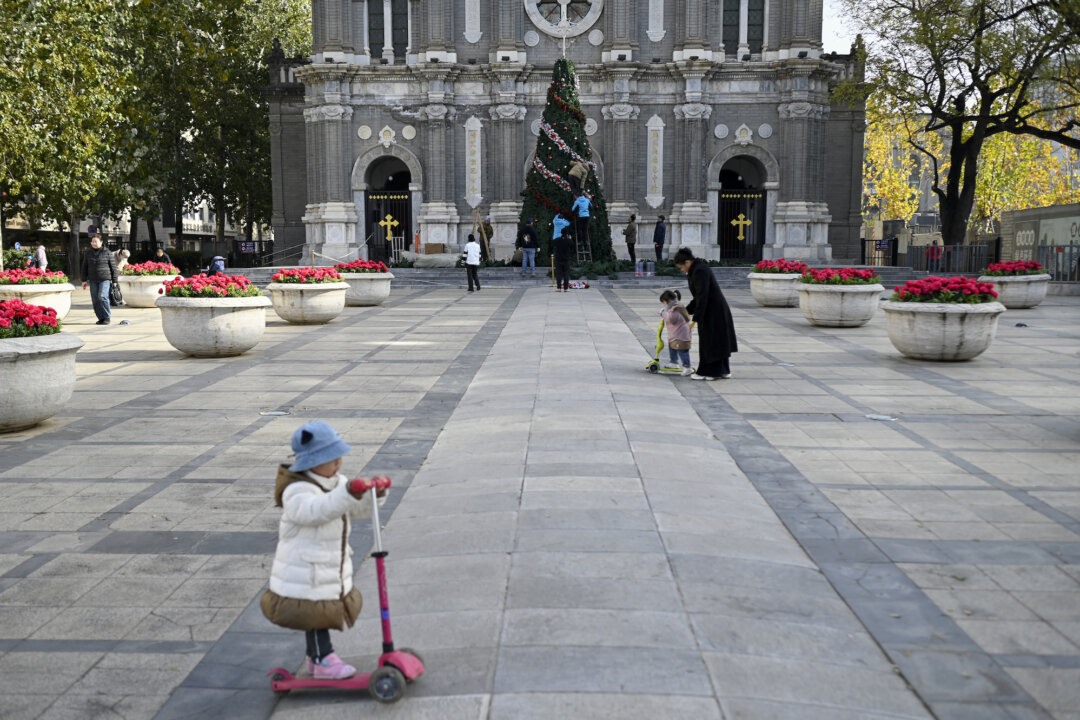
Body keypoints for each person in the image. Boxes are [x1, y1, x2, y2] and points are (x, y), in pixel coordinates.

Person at [260, 421, 387, 680]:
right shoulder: (296, 491)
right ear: (312, 462)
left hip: (326, 566)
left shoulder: (336, 481)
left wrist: (374, 495)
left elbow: (353, 508)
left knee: (319, 614)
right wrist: (348, 492)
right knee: (315, 616)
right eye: (331, 459)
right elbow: (317, 511)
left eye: (339, 457)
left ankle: (315, 657)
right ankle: (322, 660)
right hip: (306, 571)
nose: (338, 463)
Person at [673, 247, 737, 380]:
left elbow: (702, 296)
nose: (682, 270)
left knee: (710, 341)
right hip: (713, 309)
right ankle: (723, 370)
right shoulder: (697, 268)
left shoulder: (699, 271)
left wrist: (695, 318)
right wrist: (685, 311)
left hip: (712, 311)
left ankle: (710, 372)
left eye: (681, 267)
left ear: (687, 262)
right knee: (718, 340)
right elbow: (698, 297)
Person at [81, 234, 118, 325]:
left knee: (102, 296)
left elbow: (113, 267)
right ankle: (101, 318)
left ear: (101, 242)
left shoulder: (107, 252)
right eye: (92, 241)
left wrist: (114, 281)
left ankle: (107, 316)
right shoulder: (88, 253)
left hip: (105, 279)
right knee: (95, 299)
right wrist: (84, 280)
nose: (93, 243)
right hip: (93, 279)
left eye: (96, 241)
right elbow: (84, 267)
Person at [660, 289, 693, 377]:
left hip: (681, 335)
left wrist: (663, 313)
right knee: (672, 346)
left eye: (663, 302)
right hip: (676, 333)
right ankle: (674, 362)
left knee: (682, 350)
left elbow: (671, 319)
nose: (663, 305)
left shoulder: (676, 308)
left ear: (668, 300)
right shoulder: (674, 306)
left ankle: (688, 367)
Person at [552, 213, 572, 292]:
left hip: (556, 239)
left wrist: (557, 215)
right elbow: (568, 223)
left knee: (559, 272)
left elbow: (554, 218)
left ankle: (559, 288)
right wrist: (564, 219)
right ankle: (566, 288)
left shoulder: (555, 221)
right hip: (566, 258)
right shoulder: (563, 222)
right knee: (566, 273)